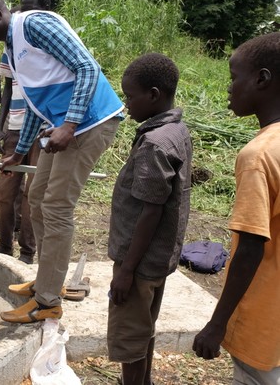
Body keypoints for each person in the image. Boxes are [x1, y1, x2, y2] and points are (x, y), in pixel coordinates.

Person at [0, 0, 123, 323]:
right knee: (36, 196)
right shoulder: (11, 44)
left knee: (56, 206)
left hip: (90, 123)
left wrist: (69, 123)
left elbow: (87, 67)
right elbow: (37, 101)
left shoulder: (33, 24)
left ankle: (48, 301)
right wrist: (20, 151)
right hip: (64, 125)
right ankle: (46, 279)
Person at [193, 32, 280, 383]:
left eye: (233, 77)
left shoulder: (258, 156)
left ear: (261, 79)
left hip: (263, 318)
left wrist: (218, 323)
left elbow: (249, 248)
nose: (228, 88)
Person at [107, 53, 191, 385]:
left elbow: (150, 210)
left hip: (138, 263)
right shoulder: (176, 129)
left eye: (130, 95)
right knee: (145, 328)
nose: (126, 104)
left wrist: (126, 270)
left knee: (129, 338)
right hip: (158, 257)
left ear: (154, 95)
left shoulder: (155, 145)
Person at [0, 0, 52, 262]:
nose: (25, 13)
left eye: (32, 8)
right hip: (15, 128)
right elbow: (7, 89)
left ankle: (28, 252)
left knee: (32, 195)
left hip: (43, 130)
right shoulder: (11, 46)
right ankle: (5, 246)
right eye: (22, 7)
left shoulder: (49, 42)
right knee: (5, 194)